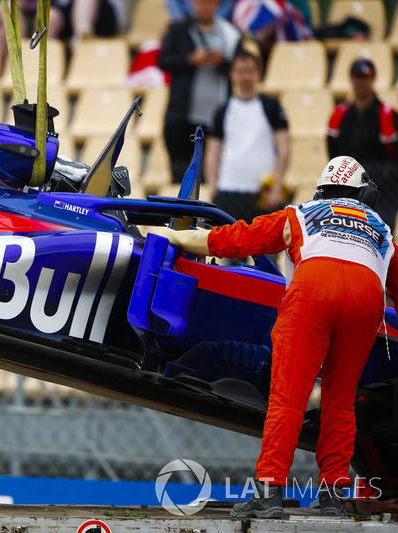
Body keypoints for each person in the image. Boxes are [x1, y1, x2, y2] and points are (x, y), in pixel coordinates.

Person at [146, 156, 398, 518]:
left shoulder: (302, 213)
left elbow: (236, 240)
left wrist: (176, 236)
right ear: (365, 193)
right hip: (365, 300)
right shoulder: (382, 228)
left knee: (288, 398)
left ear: (322, 190)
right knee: (341, 402)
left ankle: (268, 493)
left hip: (313, 291)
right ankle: (332, 496)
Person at [205, 44, 290, 224]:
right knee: (228, 251)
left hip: (261, 192)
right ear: (232, 74)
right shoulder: (222, 110)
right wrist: (213, 187)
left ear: (258, 73)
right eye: (240, 71)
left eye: (250, 71)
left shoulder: (272, 107)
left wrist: (277, 186)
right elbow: (212, 152)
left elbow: (284, 149)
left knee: (264, 250)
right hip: (228, 190)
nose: (245, 76)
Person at [158, 0, 240, 184]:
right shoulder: (179, 29)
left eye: (209, 3)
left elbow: (243, 67)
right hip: (181, 117)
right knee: (179, 176)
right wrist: (189, 59)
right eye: (201, 3)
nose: (205, 7)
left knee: (209, 177)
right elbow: (163, 60)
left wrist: (222, 62)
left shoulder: (230, 33)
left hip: (215, 119)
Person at [328, 58, 398, 230]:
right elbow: (333, 151)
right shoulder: (340, 115)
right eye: (357, 76)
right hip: (349, 192)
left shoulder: (388, 115)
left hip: (384, 193)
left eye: (366, 76)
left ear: (373, 79)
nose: (361, 81)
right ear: (351, 79)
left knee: (381, 240)